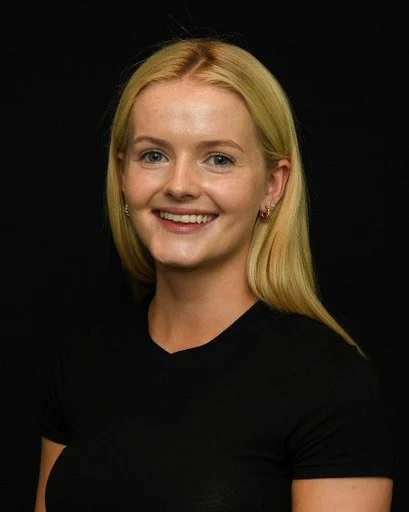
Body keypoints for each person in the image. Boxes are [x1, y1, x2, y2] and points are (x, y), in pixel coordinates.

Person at [35, 36, 396, 511]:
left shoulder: (329, 383)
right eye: (153, 155)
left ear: (273, 185)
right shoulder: (81, 361)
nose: (179, 186)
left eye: (218, 159)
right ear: (122, 175)